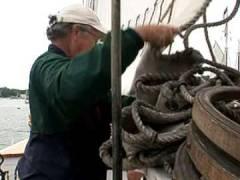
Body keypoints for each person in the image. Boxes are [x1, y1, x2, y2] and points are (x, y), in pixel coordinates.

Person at [17, 4, 177, 180]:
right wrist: (137, 36)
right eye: (97, 40)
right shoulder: (46, 67)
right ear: (77, 32)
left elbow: (112, 104)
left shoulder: (77, 78)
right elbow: (73, 87)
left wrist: (161, 104)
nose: (97, 46)